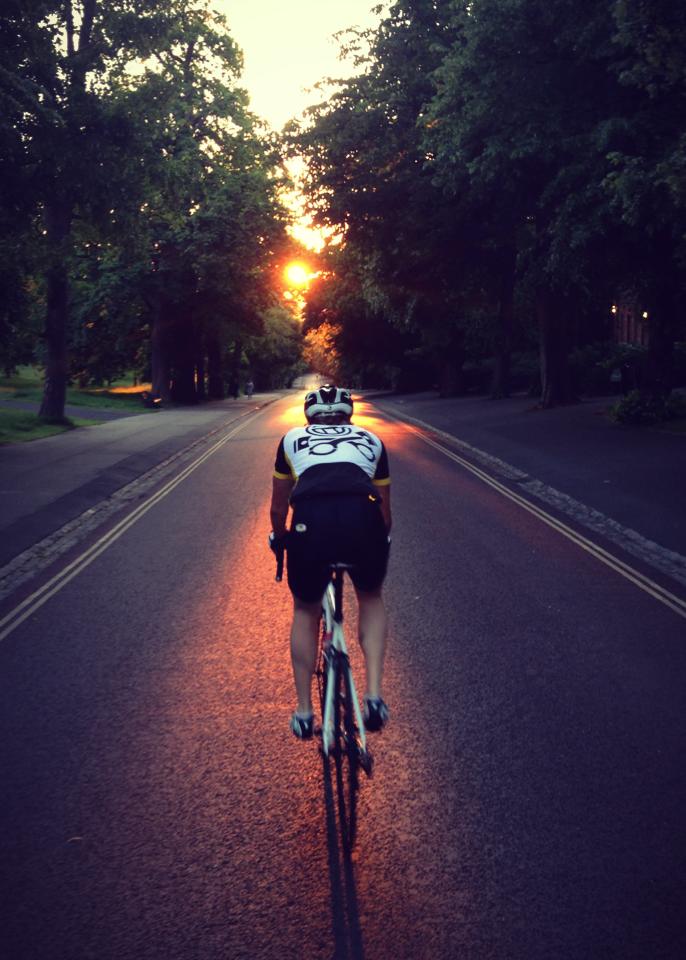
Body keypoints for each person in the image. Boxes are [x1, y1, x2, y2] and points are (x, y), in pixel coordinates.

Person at [269, 384, 392, 739]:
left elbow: (279, 508)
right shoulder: (372, 440)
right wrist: (379, 542)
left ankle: (305, 714)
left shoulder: (291, 439)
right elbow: (385, 512)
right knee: (370, 597)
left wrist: (281, 537)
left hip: (312, 523)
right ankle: (373, 697)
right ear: (349, 412)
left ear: (308, 415)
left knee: (306, 610)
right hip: (363, 521)